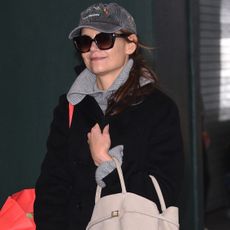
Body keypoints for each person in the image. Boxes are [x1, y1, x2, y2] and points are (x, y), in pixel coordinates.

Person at [34, 2, 184, 230]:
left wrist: (106, 164)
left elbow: (165, 191)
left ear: (130, 45)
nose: (93, 49)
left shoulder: (159, 109)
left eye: (104, 39)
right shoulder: (70, 106)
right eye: (84, 42)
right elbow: (52, 185)